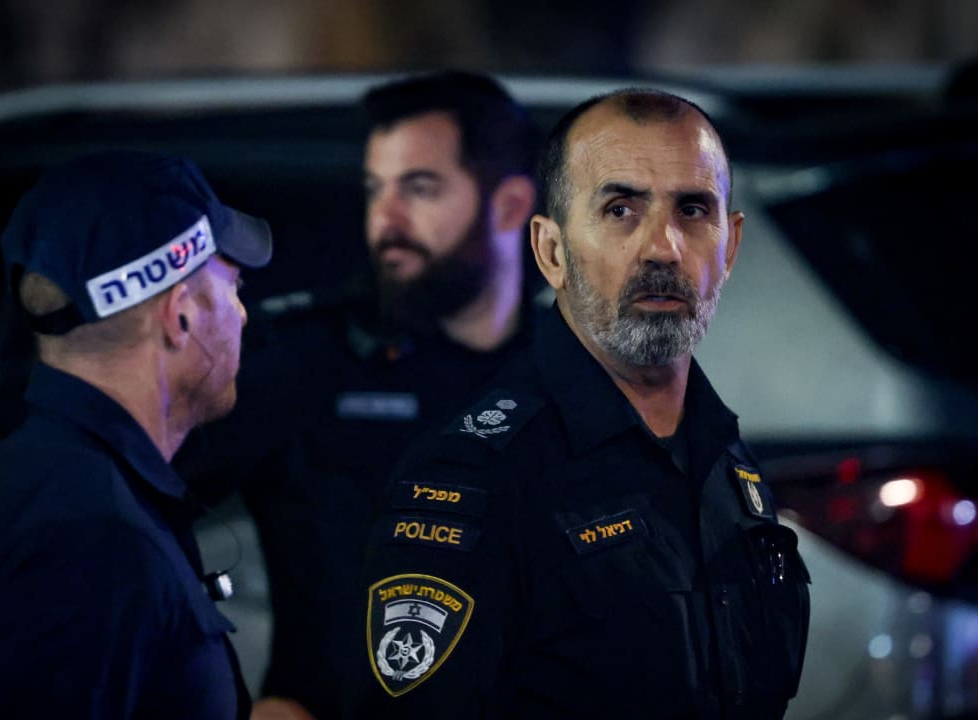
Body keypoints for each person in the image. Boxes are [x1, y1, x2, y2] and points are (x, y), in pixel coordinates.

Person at [347, 89, 811, 717]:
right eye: (620, 209)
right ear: (551, 252)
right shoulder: (476, 481)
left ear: (728, 248)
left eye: (692, 209)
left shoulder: (723, 458)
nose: (664, 247)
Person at [173, 70, 540, 720]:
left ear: (510, 206)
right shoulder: (309, 359)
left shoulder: (578, 371)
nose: (385, 220)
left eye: (420, 188)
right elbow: (138, 502)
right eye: (376, 189)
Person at [0, 149, 272, 719]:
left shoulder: (37, 481)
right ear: (180, 317)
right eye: (233, 286)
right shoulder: (95, 542)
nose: (242, 314)